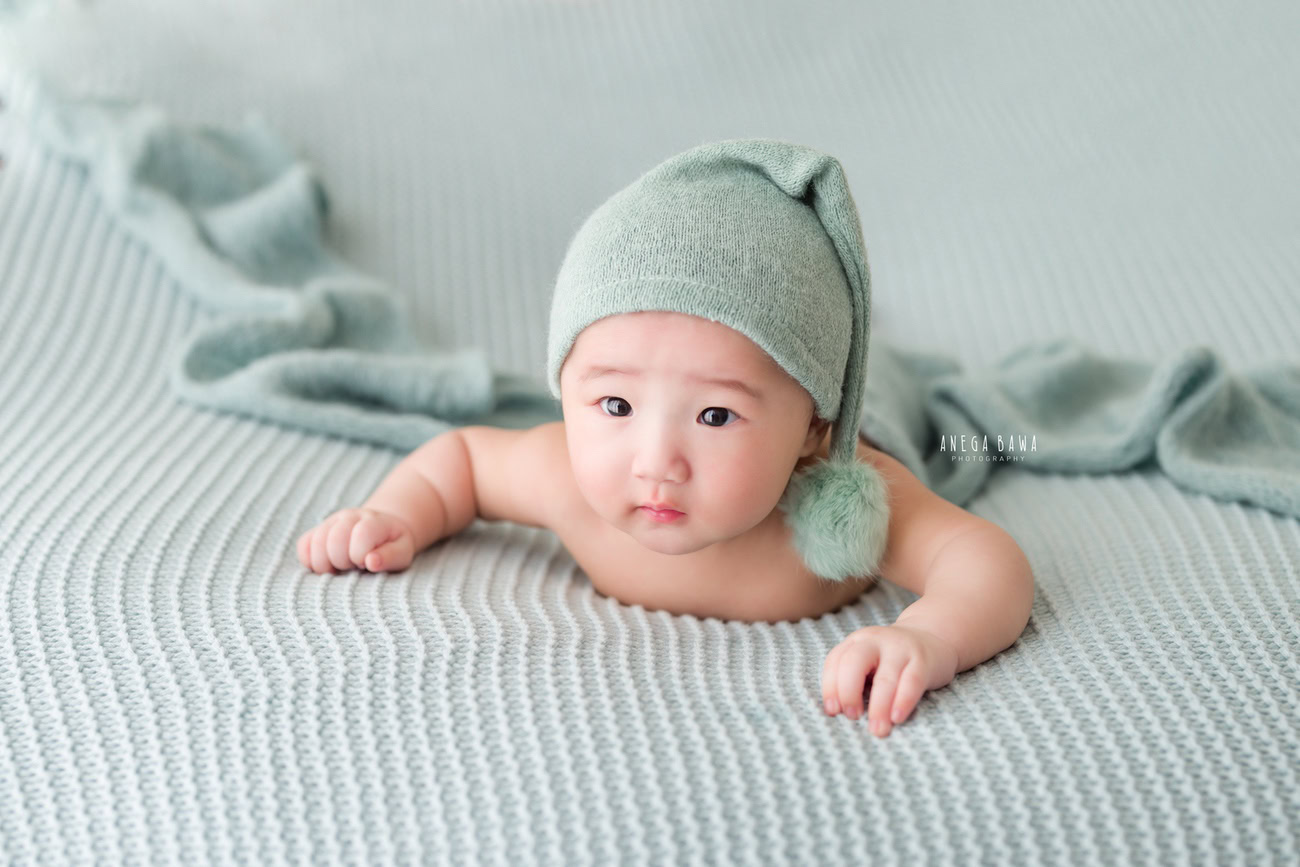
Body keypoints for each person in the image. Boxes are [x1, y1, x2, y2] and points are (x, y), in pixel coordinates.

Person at [296, 139, 1034, 738]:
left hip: (882, 408)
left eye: (715, 416)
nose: (655, 463)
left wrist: (932, 636)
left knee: (916, 396)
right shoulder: (563, 471)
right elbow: (460, 458)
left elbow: (985, 559)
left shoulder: (846, 493)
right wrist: (394, 514)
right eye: (614, 402)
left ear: (814, 427)